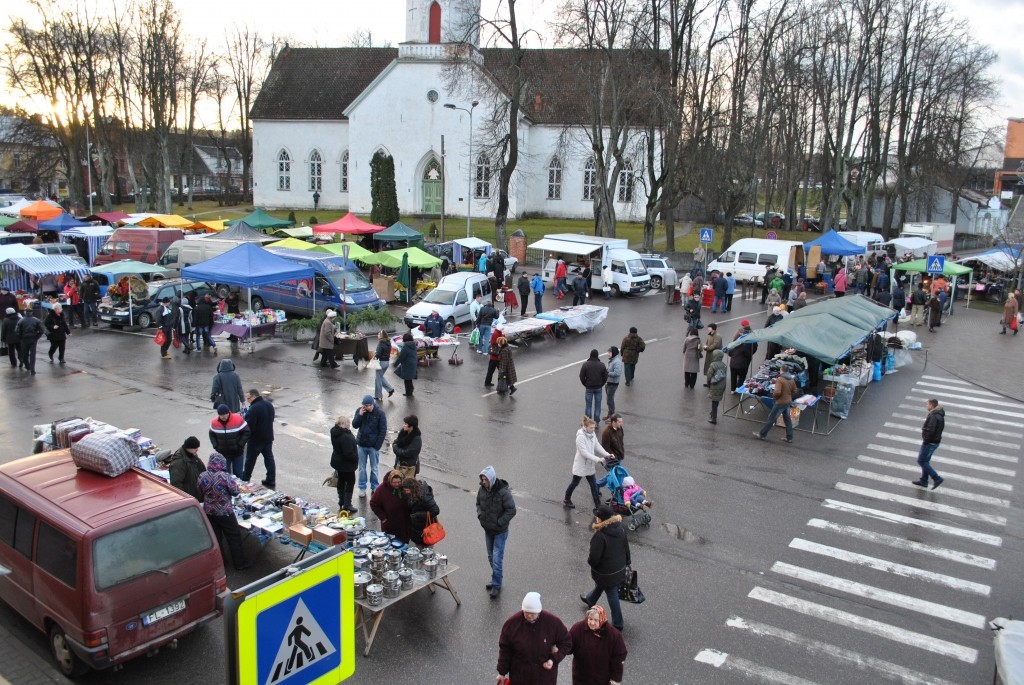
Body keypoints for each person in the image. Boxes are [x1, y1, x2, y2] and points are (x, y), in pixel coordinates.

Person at [496, 592, 571, 684]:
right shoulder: (512, 624)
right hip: (520, 677)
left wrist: (553, 659)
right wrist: (501, 672)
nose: (529, 616)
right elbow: (505, 649)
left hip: (544, 677)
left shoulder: (553, 623)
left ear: (539, 611)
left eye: (533, 613)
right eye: (526, 612)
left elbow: (566, 642)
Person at [579, 505, 630, 631]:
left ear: (602, 519)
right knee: (604, 585)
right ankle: (591, 599)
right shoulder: (621, 528)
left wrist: (592, 564)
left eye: (597, 516)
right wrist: (628, 561)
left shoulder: (600, 536)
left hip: (606, 572)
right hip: (619, 568)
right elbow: (626, 547)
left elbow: (594, 558)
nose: (595, 518)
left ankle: (618, 624)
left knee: (611, 593)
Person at [197, 453, 249, 570]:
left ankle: (222, 562)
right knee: (233, 536)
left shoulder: (202, 476)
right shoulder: (225, 477)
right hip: (224, 512)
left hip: (209, 511)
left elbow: (199, 490)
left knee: (216, 537)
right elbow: (235, 491)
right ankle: (239, 563)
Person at [478, 465, 516, 599]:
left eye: (486, 480)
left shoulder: (503, 492)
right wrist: (480, 516)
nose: (483, 482)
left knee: (497, 559)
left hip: (499, 531)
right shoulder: (482, 490)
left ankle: (496, 585)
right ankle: (496, 578)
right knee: (491, 557)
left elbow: (511, 510)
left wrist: (499, 522)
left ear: (492, 479)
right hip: (488, 529)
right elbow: (478, 504)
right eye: (482, 479)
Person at [569, 605, 628, 685]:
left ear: (602, 619)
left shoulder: (613, 635)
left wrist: (615, 679)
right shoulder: (578, 628)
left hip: (602, 678)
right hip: (581, 676)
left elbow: (619, 658)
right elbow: (567, 645)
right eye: (590, 619)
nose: (592, 623)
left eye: (596, 620)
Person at [563, 416, 610, 512]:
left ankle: (598, 507)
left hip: (589, 465)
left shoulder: (592, 434)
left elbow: (597, 446)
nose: (593, 430)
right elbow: (584, 453)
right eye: (591, 428)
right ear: (585, 427)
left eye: (594, 428)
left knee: (593, 485)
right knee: (575, 483)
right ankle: (567, 499)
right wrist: (598, 459)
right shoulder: (580, 437)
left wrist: (607, 455)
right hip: (581, 465)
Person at [352, 395, 388, 497]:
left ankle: (374, 487)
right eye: (364, 406)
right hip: (362, 445)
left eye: (368, 405)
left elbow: (383, 430)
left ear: (372, 404)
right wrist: (359, 415)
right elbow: (355, 425)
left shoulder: (380, 414)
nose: (366, 407)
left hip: (373, 447)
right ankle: (362, 488)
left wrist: (377, 446)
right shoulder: (360, 411)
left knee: (374, 468)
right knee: (362, 468)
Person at [243, 389, 276, 488]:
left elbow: (249, 427)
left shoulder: (253, 409)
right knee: (269, 458)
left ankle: (245, 480)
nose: (248, 400)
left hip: (256, 440)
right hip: (268, 437)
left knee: (250, 461)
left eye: (248, 398)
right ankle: (271, 479)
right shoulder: (269, 405)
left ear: (254, 396)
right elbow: (272, 418)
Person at [753, 370, 797, 443]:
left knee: (772, 418)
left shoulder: (780, 379)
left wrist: (775, 397)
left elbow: (777, 392)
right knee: (787, 419)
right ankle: (790, 437)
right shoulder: (791, 379)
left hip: (780, 402)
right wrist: (788, 395)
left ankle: (762, 434)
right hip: (788, 401)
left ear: (782, 370)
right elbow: (795, 390)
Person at [209, 403, 250, 478]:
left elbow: (246, 432)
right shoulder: (214, 423)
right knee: (225, 476)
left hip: (237, 453)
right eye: (221, 415)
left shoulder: (238, 419)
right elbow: (212, 435)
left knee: (238, 475)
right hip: (223, 454)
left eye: (225, 414)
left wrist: (240, 445)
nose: (223, 417)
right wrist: (216, 446)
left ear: (228, 412)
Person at [913, 398, 945, 489]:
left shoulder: (934, 416)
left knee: (921, 461)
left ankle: (937, 478)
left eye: (927, 404)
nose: (926, 406)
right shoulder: (938, 414)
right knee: (925, 461)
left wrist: (926, 441)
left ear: (932, 405)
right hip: (935, 442)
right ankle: (924, 481)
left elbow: (930, 431)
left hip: (930, 442)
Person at [370, 470, 410, 542]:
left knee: (404, 545)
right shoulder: (382, 489)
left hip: (404, 524)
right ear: (390, 481)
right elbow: (373, 503)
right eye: (394, 483)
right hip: (389, 524)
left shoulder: (405, 486)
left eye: (399, 482)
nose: (397, 484)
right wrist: (383, 517)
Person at [330, 415, 359, 515]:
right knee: (350, 482)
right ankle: (347, 504)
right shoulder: (345, 436)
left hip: (338, 462)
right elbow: (348, 453)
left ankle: (341, 501)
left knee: (341, 481)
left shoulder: (334, 432)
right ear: (344, 424)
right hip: (347, 465)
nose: (349, 425)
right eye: (348, 423)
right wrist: (356, 458)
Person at [402, 478, 440, 547]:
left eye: (407, 490)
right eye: (405, 490)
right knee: (419, 548)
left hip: (427, 527)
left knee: (427, 550)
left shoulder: (424, 496)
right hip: (417, 528)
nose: (406, 492)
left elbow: (435, 510)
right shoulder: (412, 494)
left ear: (413, 488)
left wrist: (418, 515)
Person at [168, 436, 206, 501]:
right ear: (189, 447)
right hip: (191, 498)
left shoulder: (193, 455)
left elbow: (203, 470)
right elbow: (176, 484)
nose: (197, 450)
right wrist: (186, 499)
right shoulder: (178, 463)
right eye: (195, 448)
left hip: (198, 495)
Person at [579, 349, 607, 423]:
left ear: (590, 355)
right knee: (598, 405)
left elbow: (581, 376)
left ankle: (588, 421)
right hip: (598, 387)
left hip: (589, 388)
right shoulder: (602, 365)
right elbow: (605, 376)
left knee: (588, 405)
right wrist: (601, 384)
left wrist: (585, 384)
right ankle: (596, 421)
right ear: (597, 355)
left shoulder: (586, 364)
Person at [728, 320, 756, 391]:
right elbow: (754, 347)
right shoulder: (752, 335)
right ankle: (739, 387)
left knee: (733, 376)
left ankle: (732, 389)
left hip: (733, 362)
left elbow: (730, 352)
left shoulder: (738, 334)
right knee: (742, 375)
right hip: (744, 361)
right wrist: (751, 354)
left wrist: (734, 355)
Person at [392, 414, 422, 482]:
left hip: (409, 468)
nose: (403, 425)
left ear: (411, 426)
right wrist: (397, 448)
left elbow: (408, 453)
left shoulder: (417, 439)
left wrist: (397, 449)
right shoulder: (403, 433)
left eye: (406, 424)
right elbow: (395, 442)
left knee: (407, 488)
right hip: (399, 465)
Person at [15, 309, 45, 374]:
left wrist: (21, 337)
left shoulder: (21, 320)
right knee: (32, 354)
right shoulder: (36, 320)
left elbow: (17, 331)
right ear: (32, 313)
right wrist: (37, 337)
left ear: (25, 312)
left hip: (24, 339)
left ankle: (27, 366)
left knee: (25, 354)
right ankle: (32, 369)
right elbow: (42, 330)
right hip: (33, 339)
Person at [392, 331, 418, 396]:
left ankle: (408, 393)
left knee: (406, 380)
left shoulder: (405, 347)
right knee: (409, 379)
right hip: (413, 363)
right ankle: (411, 389)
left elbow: (401, 357)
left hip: (407, 365)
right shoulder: (413, 345)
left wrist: (395, 364)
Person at [706, 349, 728, 424]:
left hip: (715, 385)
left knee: (714, 402)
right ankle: (712, 413)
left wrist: (708, 383)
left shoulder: (713, 365)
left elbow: (709, 375)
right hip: (722, 385)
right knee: (717, 400)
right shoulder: (724, 365)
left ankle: (714, 418)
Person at [373, 331, 396, 401]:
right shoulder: (388, 342)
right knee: (380, 377)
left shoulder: (381, 343)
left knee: (378, 380)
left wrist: (374, 356)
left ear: (382, 336)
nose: (377, 335)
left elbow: (378, 354)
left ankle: (378, 395)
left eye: (379, 334)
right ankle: (390, 389)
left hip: (381, 362)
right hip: (386, 362)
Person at [604, 346, 622, 419]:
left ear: (613, 353)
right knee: (608, 399)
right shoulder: (612, 360)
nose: (608, 354)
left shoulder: (617, 362)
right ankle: (610, 413)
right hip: (609, 382)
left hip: (613, 384)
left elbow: (617, 373)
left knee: (610, 399)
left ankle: (613, 417)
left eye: (609, 352)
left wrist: (607, 373)